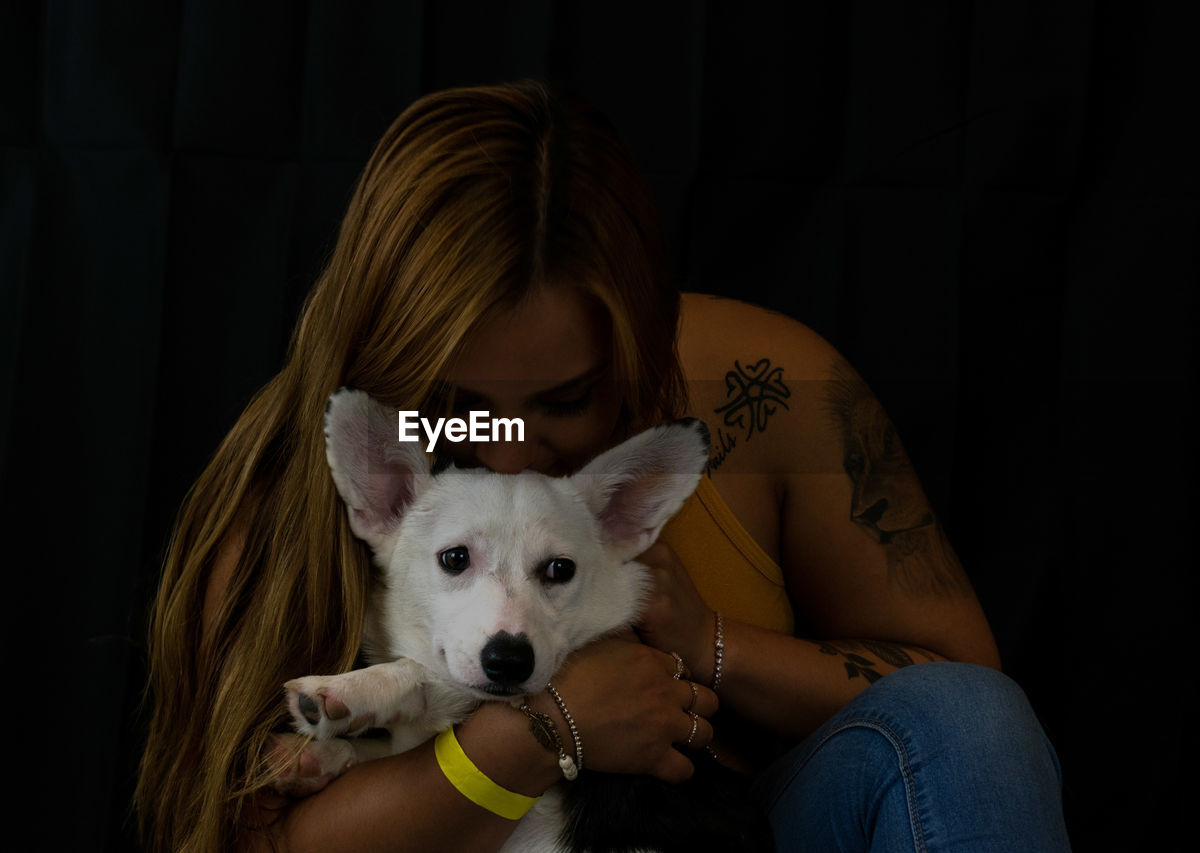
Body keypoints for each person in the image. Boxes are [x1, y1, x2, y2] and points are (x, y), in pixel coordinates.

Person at [136, 80, 1070, 852]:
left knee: (970, 719)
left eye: (567, 399)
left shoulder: (767, 386)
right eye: (459, 408)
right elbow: (238, 838)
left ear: (644, 345)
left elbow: (958, 713)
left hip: (723, 829)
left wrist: (708, 644)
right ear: (385, 363)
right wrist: (540, 732)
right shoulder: (298, 487)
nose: (509, 449)